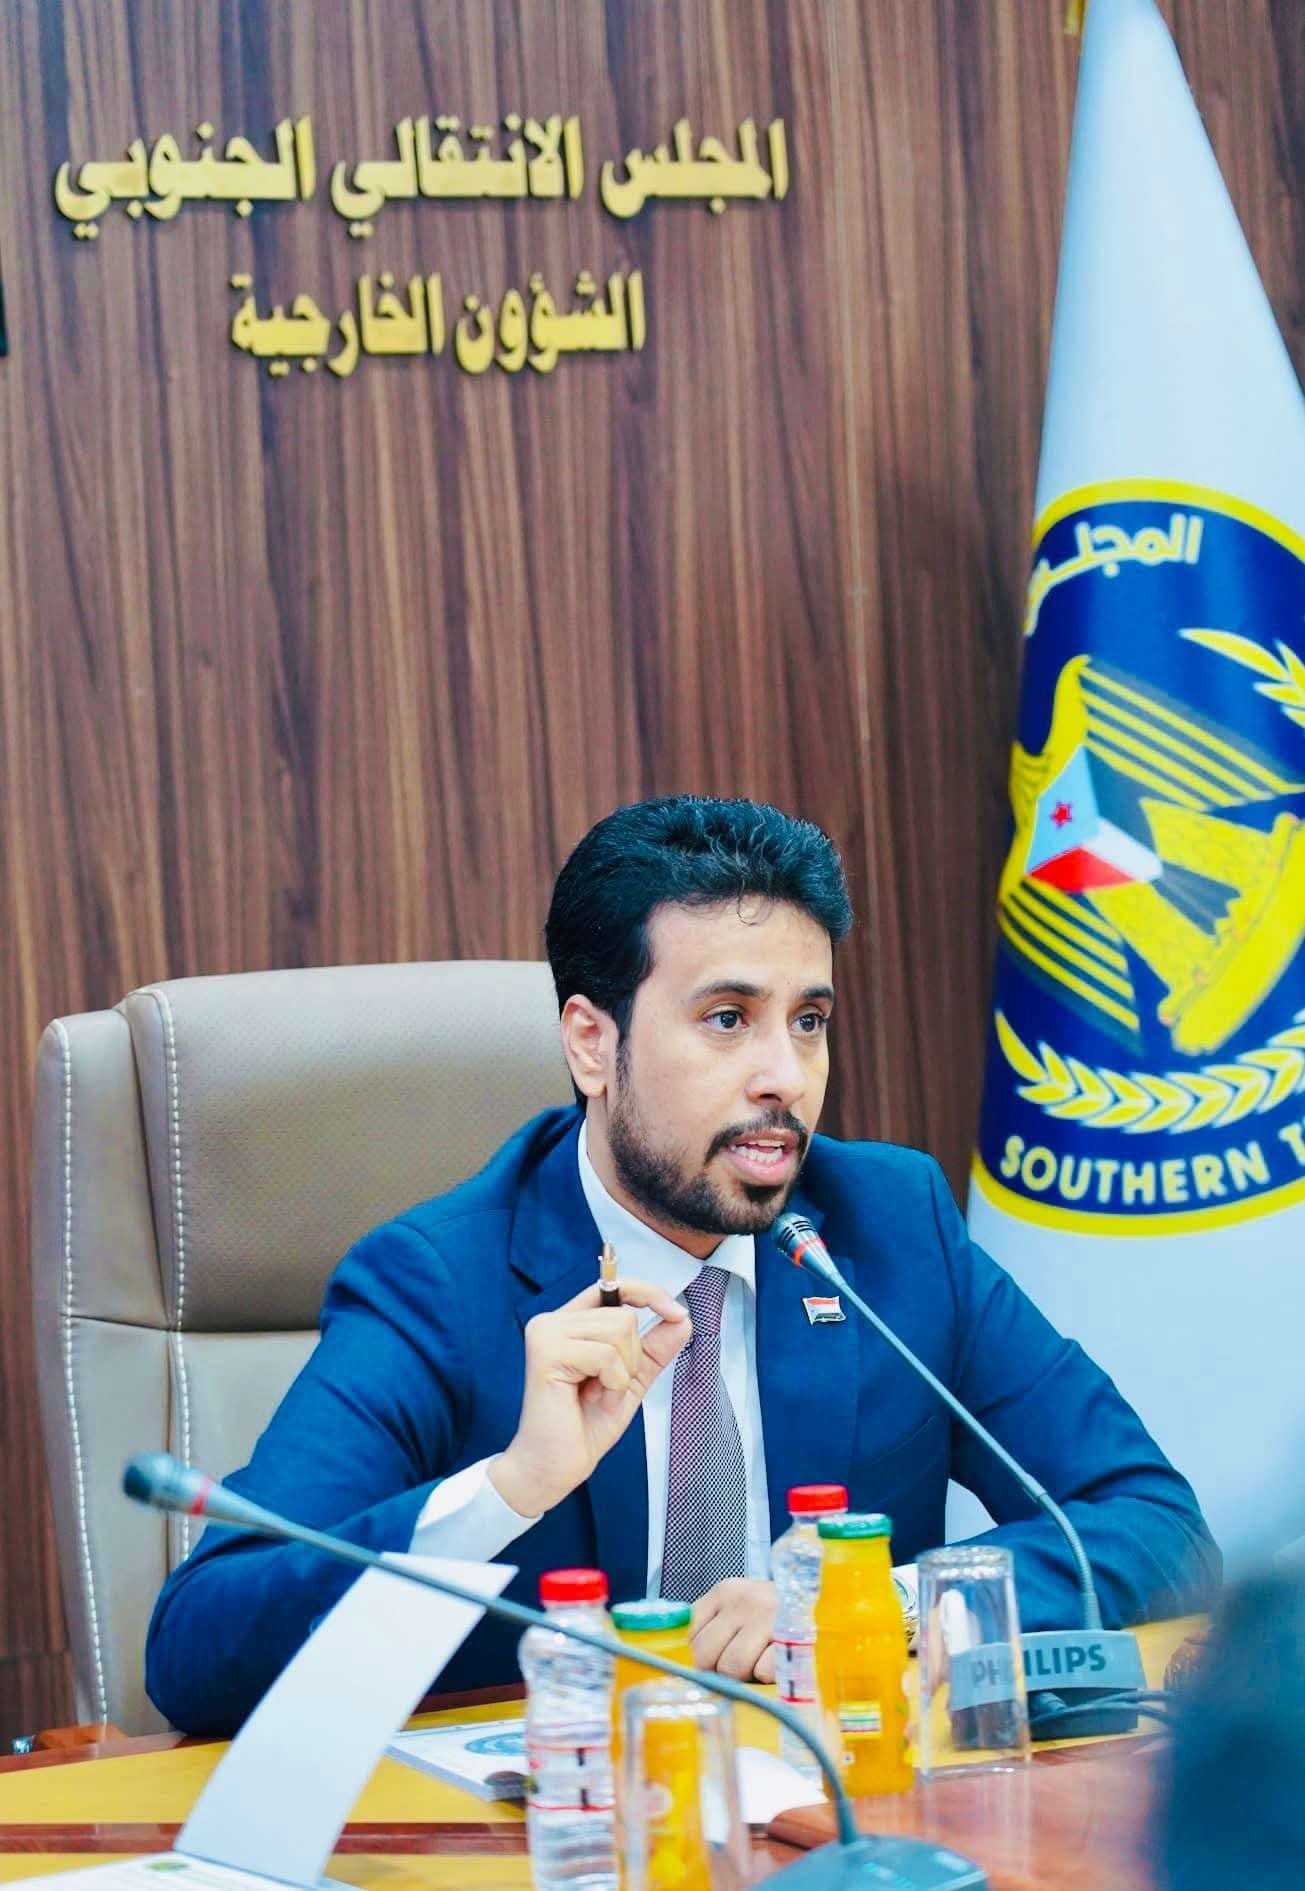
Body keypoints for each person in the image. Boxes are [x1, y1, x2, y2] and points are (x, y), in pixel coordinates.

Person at [146, 796, 1219, 1733]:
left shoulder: (889, 1231)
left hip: (842, 1822)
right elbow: (197, 1647)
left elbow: (1157, 1522)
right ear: (591, 1043)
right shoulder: (440, 1282)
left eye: (809, 1021)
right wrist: (507, 1489)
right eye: (727, 1019)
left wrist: (874, 1603)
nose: (784, 1075)